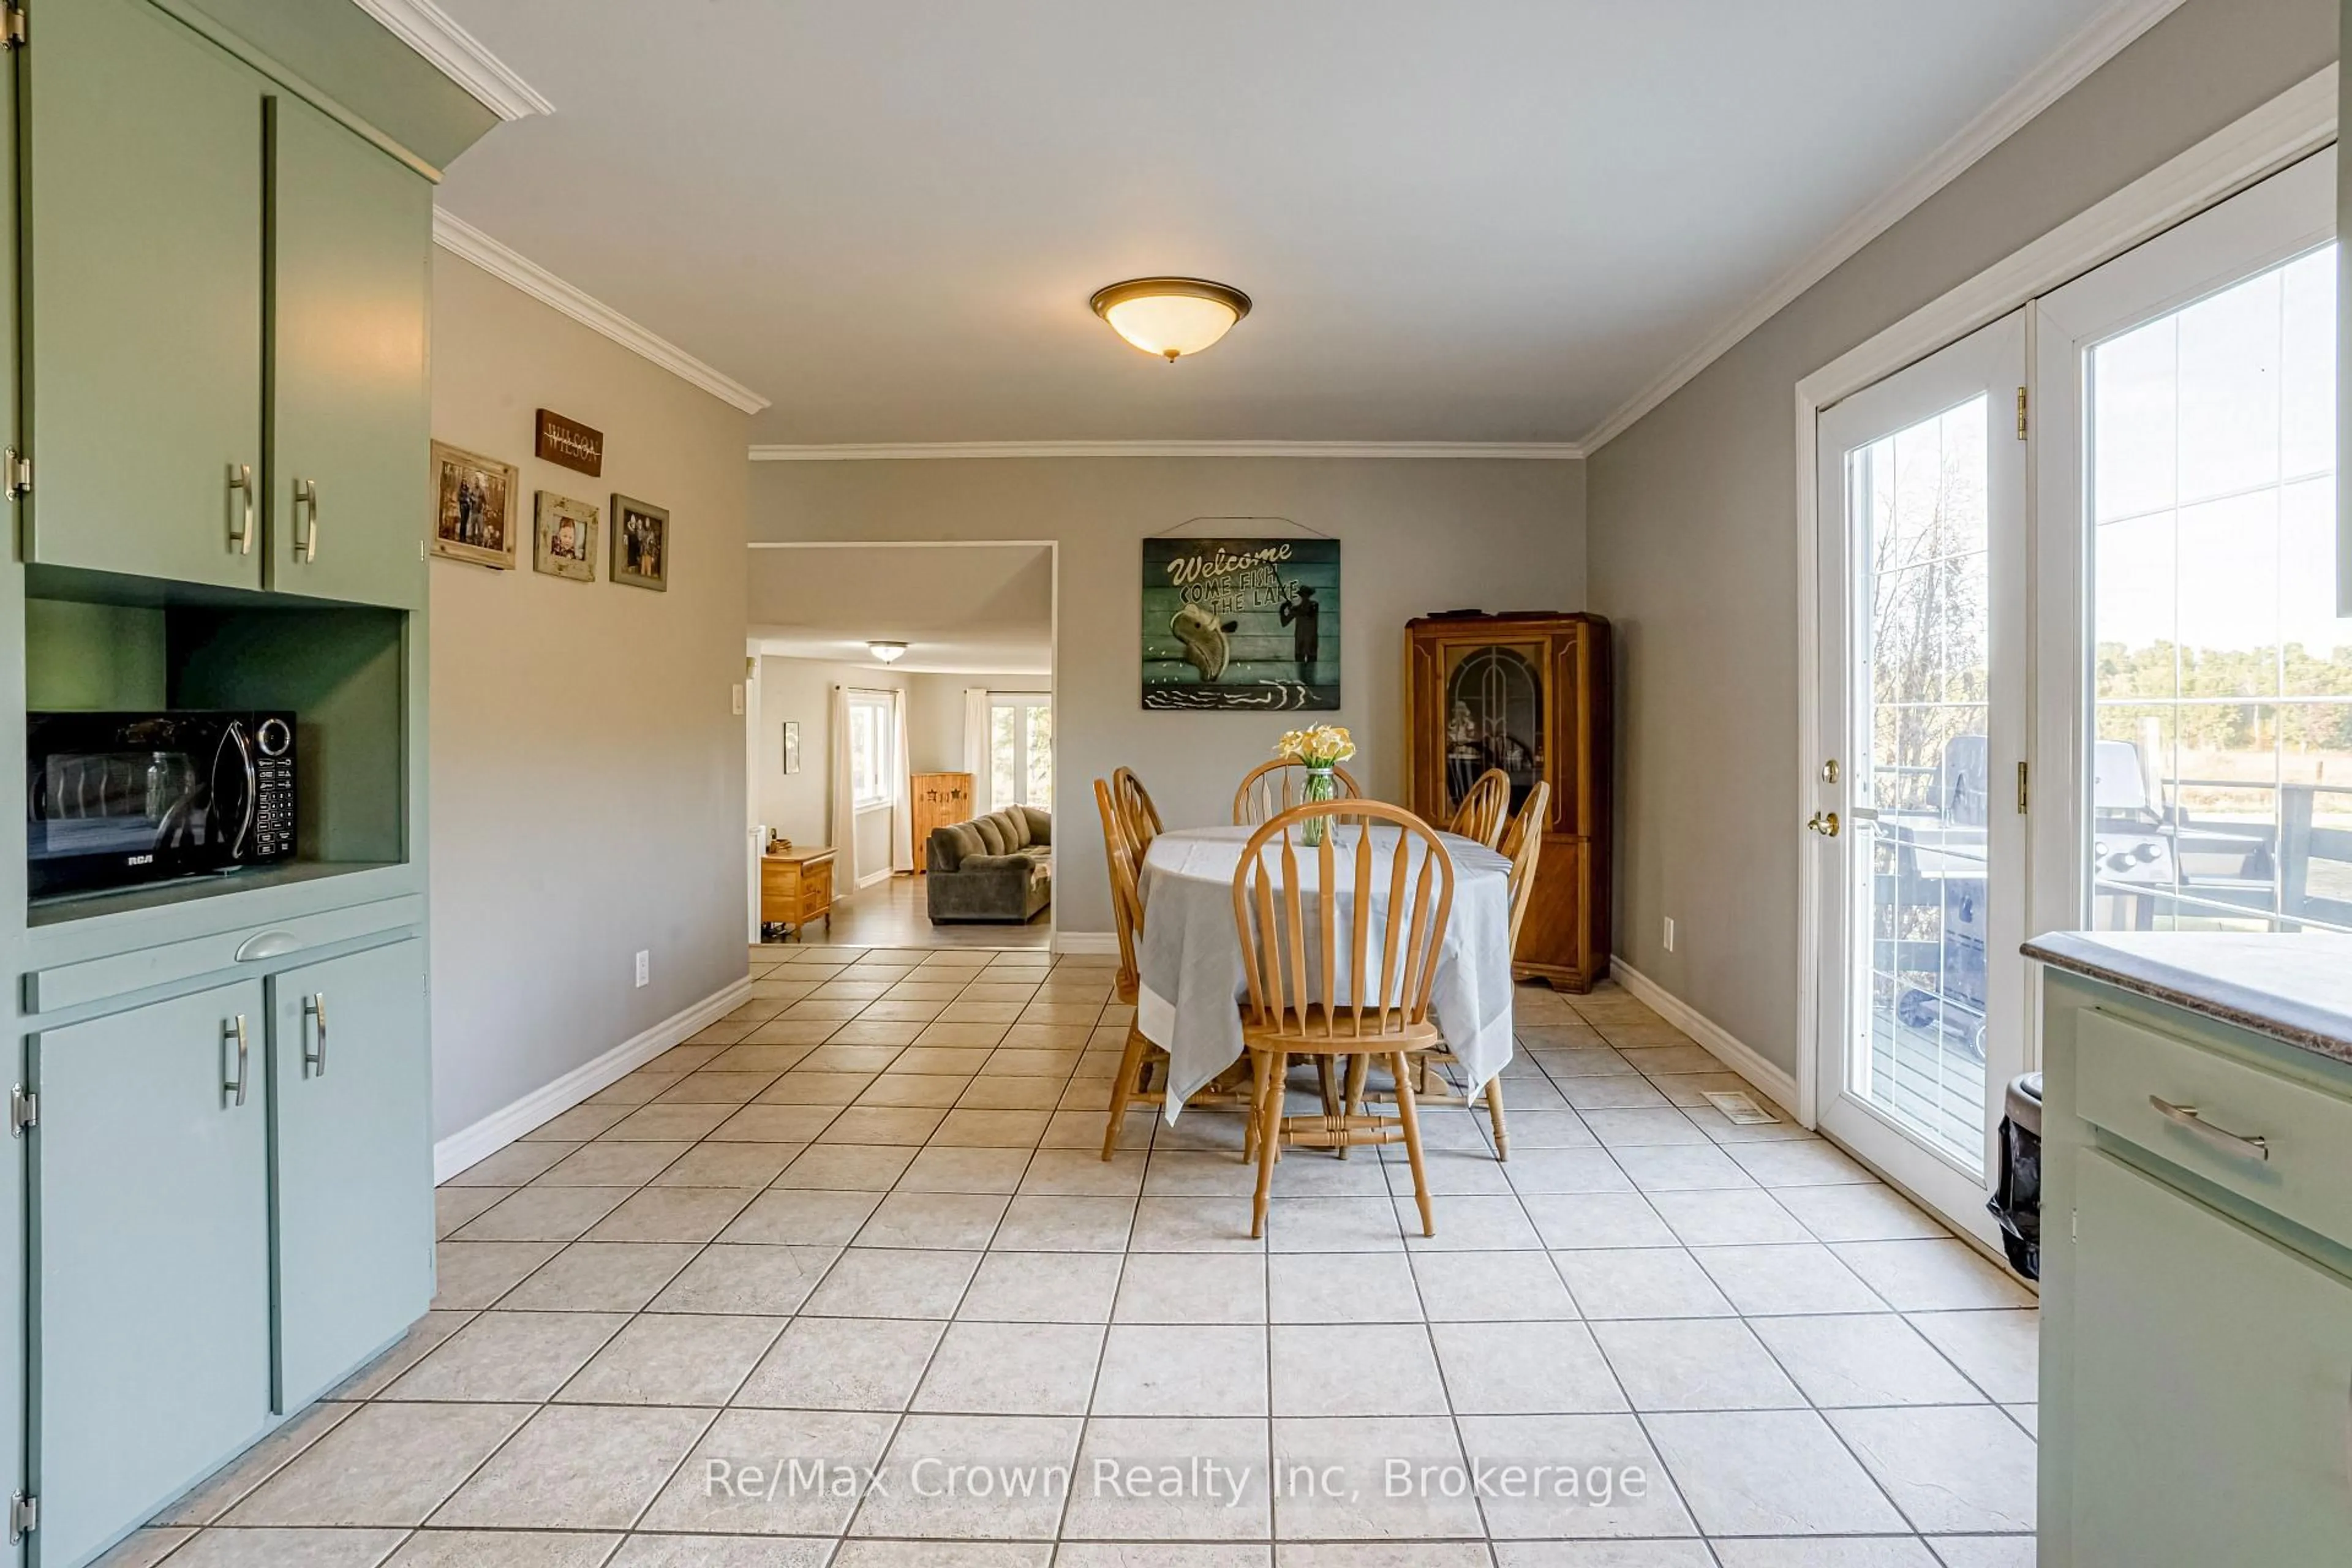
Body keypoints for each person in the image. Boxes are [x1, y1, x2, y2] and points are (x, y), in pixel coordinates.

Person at [1278, 581, 1321, 684]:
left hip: (1311, 641)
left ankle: (1312, 689)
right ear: (1302, 596)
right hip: (1300, 641)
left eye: (1307, 595)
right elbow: (1284, 623)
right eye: (1304, 595)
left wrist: (1294, 610)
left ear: (1309, 595)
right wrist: (1282, 609)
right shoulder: (1297, 609)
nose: (1305, 597)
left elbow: (1309, 614)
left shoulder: (1314, 605)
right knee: (1301, 670)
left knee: (1311, 668)